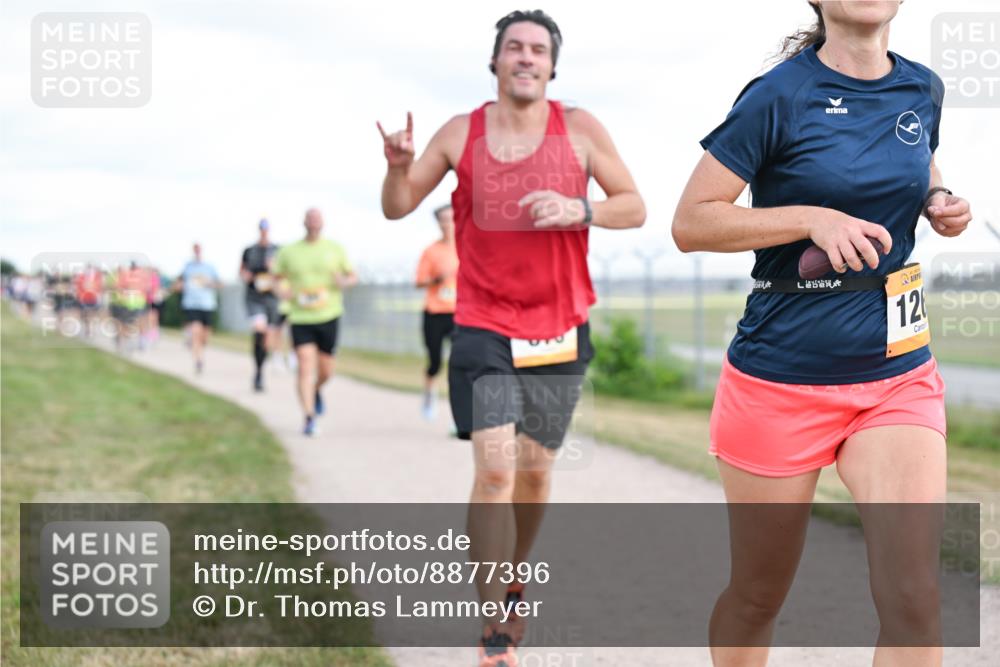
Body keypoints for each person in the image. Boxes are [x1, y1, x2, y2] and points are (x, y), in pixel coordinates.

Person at [671, 2, 973, 666]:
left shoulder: (923, 87)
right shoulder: (780, 95)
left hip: (896, 374)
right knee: (757, 596)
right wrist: (812, 218)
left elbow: (918, 163)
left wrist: (936, 200)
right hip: (779, 378)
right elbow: (692, 222)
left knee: (915, 597)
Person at [377, 9, 645, 665]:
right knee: (495, 467)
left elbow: (634, 205)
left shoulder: (579, 129)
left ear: (552, 66)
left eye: (538, 50)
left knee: (534, 471)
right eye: (514, 48)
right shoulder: (460, 131)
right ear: (494, 62)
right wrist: (399, 165)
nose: (526, 57)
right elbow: (397, 204)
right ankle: (493, 618)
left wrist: (580, 208)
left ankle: (515, 571)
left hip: (559, 326)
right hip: (483, 323)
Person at [273, 209, 357, 436]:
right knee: (304, 364)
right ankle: (309, 417)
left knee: (326, 371)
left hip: (329, 315)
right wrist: (281, 290)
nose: (313, 223)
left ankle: (316, 389)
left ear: (323, 223)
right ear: (303, 222)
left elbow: (352, 276)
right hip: (300, 316)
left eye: (317, 219)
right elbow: (276, 279)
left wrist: (343, 281)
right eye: (310, 219)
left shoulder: (335, 249)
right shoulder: (289, 251)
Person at [415, 204, 459, 420]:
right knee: (435, 362)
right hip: (434, 312)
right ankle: (429, 394)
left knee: (459, 362)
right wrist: (436, 279)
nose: (447, 223)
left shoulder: (467, 246)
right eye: (443, 219)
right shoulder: (430, 251)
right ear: (438, 223)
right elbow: (419, 281)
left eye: (451, 218)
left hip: (460, 314)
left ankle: (457, 411)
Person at [240, 219, 282, 392]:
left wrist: (273, 269)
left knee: (267, 337)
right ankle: (258, 373)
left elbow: (283, 273)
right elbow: (241, 271)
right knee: (259, 329)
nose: (264, 232)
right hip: (254, 297)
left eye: (266, 229)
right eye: (261, 229)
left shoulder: (277, 250)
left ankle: (261, 368)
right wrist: (246, 275)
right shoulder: (249, 250)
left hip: (271, 298)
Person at [175, 244, 221, 374]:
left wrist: (209, 283)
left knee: (205, 336)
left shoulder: (209, 267)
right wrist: (179, 286)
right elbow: (179, 283)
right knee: (195, 332)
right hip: (191, 304)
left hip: (207, 304)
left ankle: (198, 348)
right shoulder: (187, 267)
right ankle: (198, 360)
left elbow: (219, 283)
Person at [74, 263, 104, 338]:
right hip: (84, 299)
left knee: (91, 314)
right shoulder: (82, 277)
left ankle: (90, 330)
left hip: (93, 299)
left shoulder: (97, 277)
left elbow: (100, 287)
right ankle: (88, 328)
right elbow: (78, 288)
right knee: (86, 315)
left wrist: (100, 296)